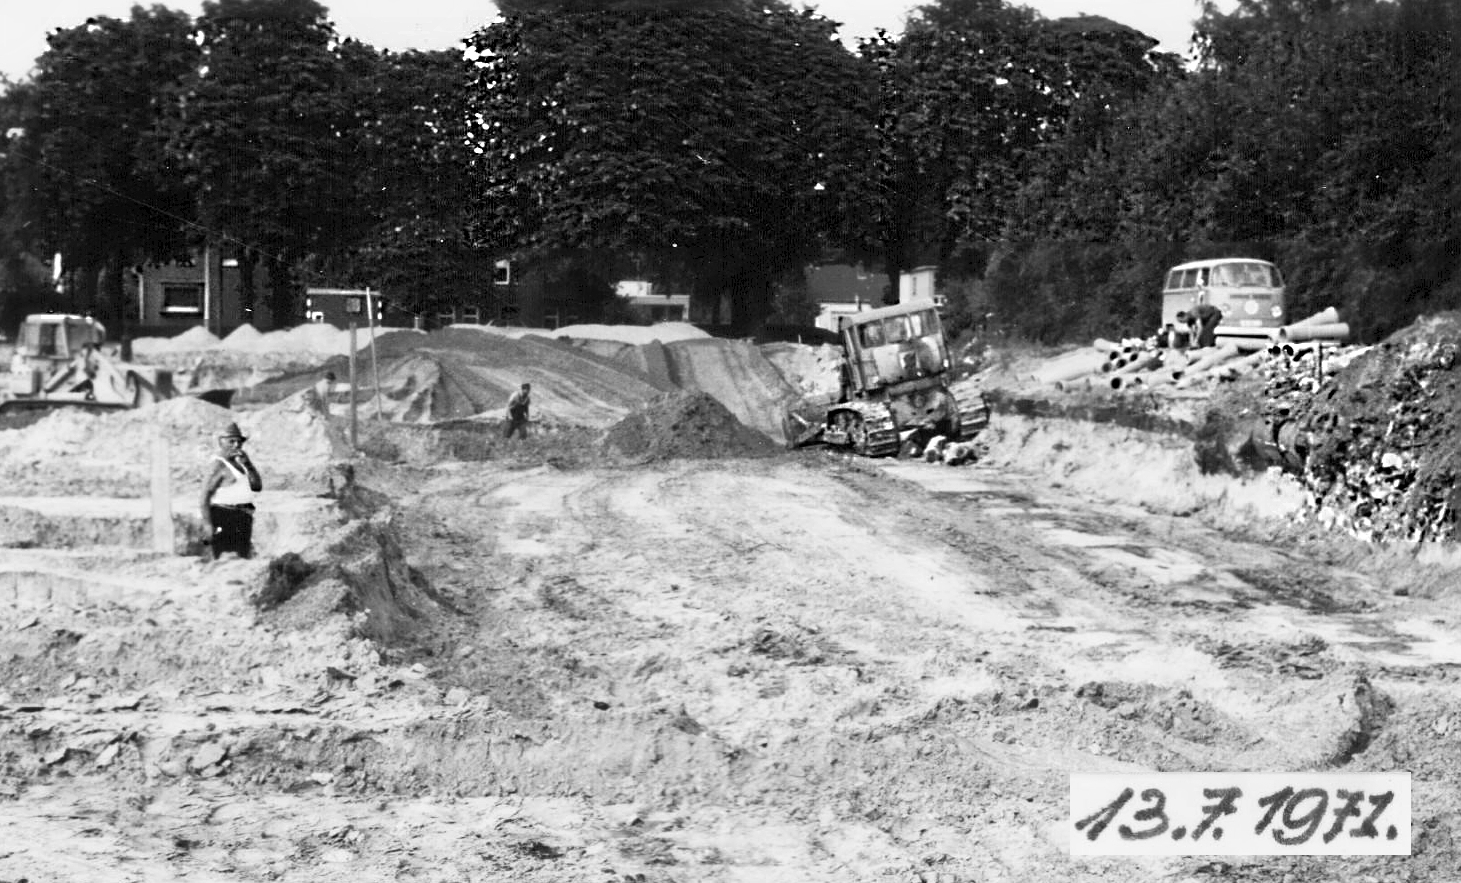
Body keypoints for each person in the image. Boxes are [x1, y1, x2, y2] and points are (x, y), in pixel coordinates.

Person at [201, 423, 263, 559]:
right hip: (223, 517)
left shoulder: (241, 463)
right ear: (221, 442)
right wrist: (207, 524)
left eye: (239, 442)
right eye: (231, 441)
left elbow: (257, 486)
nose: (236, 445)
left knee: (242, 559)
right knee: (225, 559)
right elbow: (204, 497)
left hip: (243, 517)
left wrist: (248, 464)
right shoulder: (217, 465)